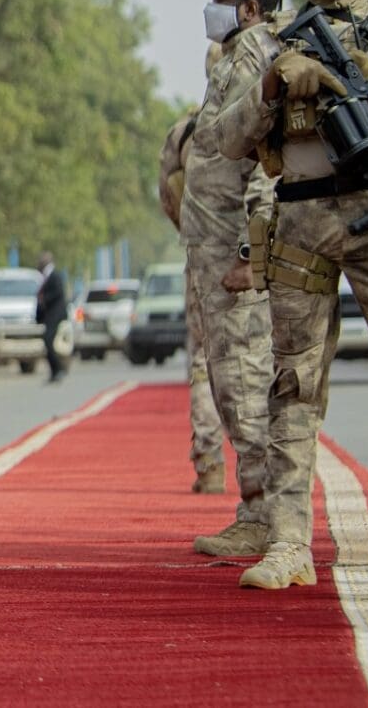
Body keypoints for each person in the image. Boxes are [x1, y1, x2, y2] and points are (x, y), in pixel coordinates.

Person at [212, 0, 368, 590]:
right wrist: (273, 86)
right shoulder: (270, 43)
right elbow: (226, 140)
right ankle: (290, 544)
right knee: (293, 387)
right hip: (302, 223)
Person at [185, 0, 282, 557]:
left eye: (220, 0)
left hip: (233, 257)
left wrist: (251, 253)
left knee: (244, 380)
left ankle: (263, 516)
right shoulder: (239, 56)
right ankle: (257, 510)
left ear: (248, 9)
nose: (210, 9)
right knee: (230, 380)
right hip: (216, 249)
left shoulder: (251, 58)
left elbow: (265, 165)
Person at [159, 106, 227, 493]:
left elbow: (168, 194)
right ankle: (265, 469)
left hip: (203, 257)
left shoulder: (184, 133)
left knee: (203, 360)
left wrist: (192, 230)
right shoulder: (263, 105)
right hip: (257, 257)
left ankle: (210, 462)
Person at [34, 252, 69, 383]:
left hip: (55, 315)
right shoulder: (45, 277)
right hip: (49, 316)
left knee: (48, 340)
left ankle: (58, 369)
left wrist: (44, 299)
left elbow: (57, 293)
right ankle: (55, 371)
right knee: (48, 342)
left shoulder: (55, 276)